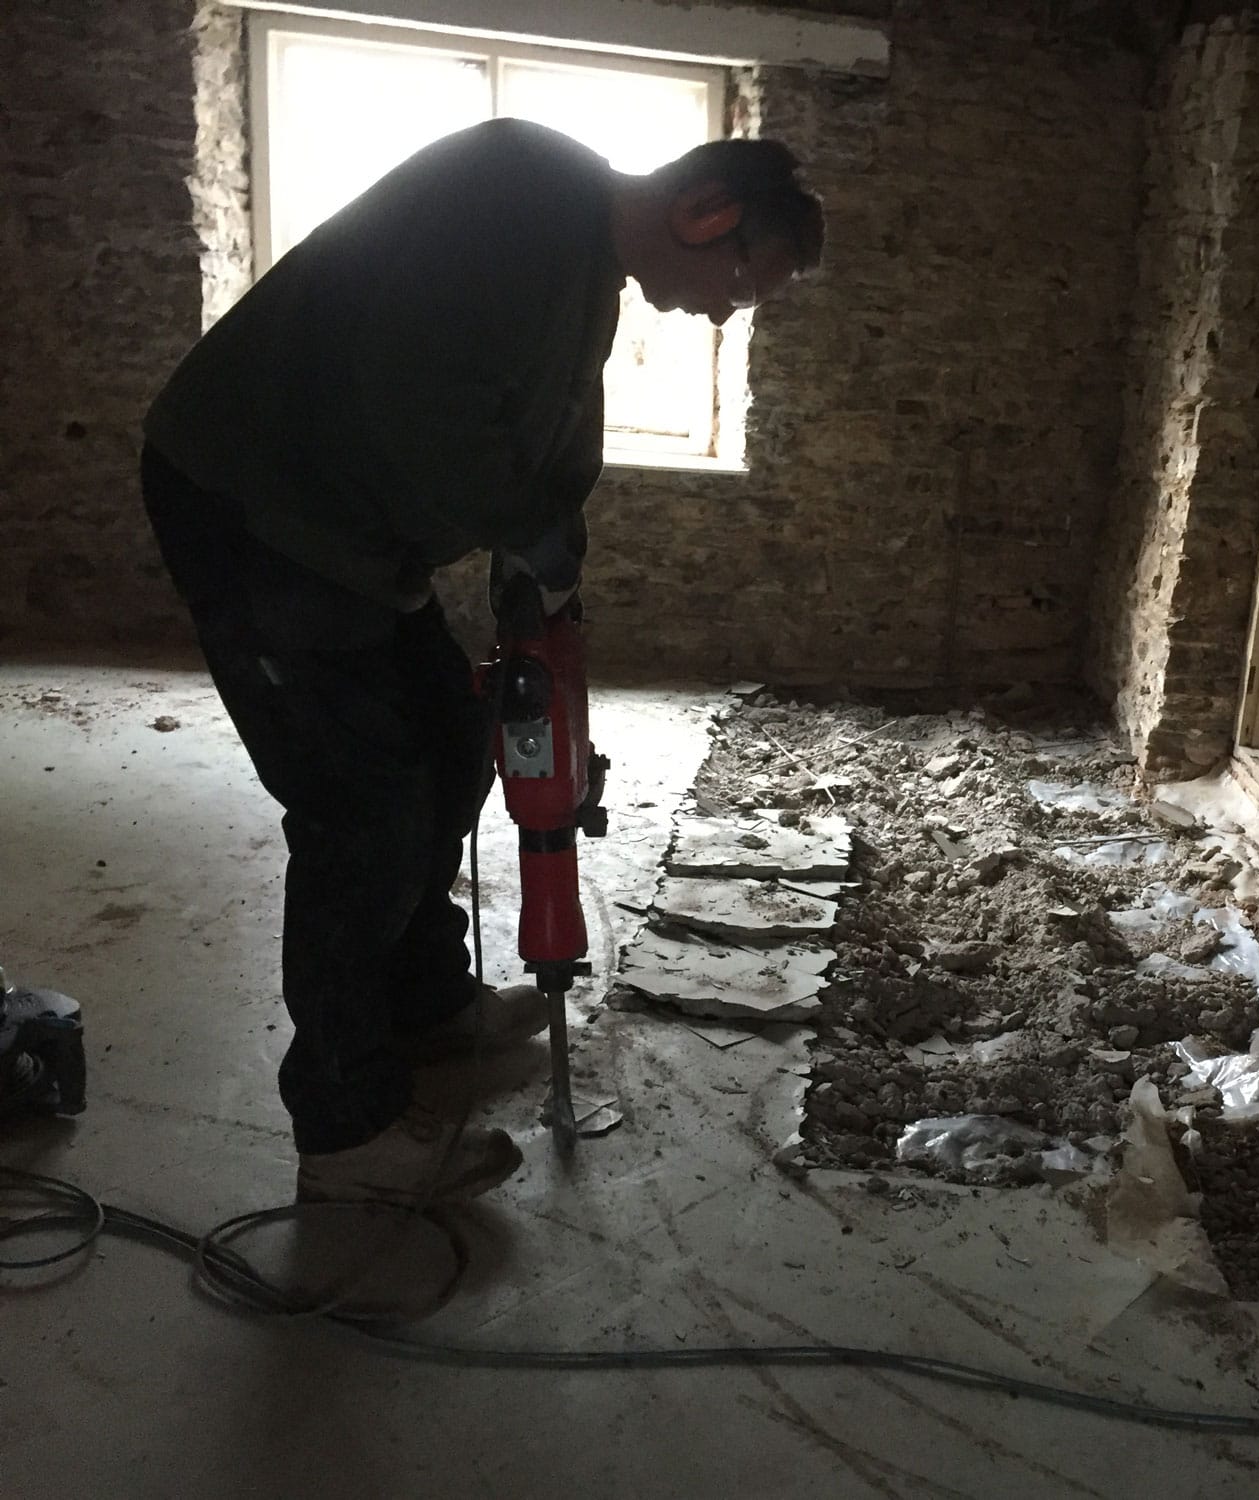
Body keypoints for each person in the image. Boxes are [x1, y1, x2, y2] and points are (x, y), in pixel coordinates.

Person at [140, 121, 823, 1205]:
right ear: (706, 213)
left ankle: (423, 1002)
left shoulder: (584, 268)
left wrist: (550, 558)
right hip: (259, 507)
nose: (723, 312)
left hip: (350, 536)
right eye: (740, 284)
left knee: (451, 748)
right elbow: (422, 403)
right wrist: (519, 521)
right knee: (358, 812)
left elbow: (547, 435)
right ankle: (347, 1130)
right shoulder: (516, 192)